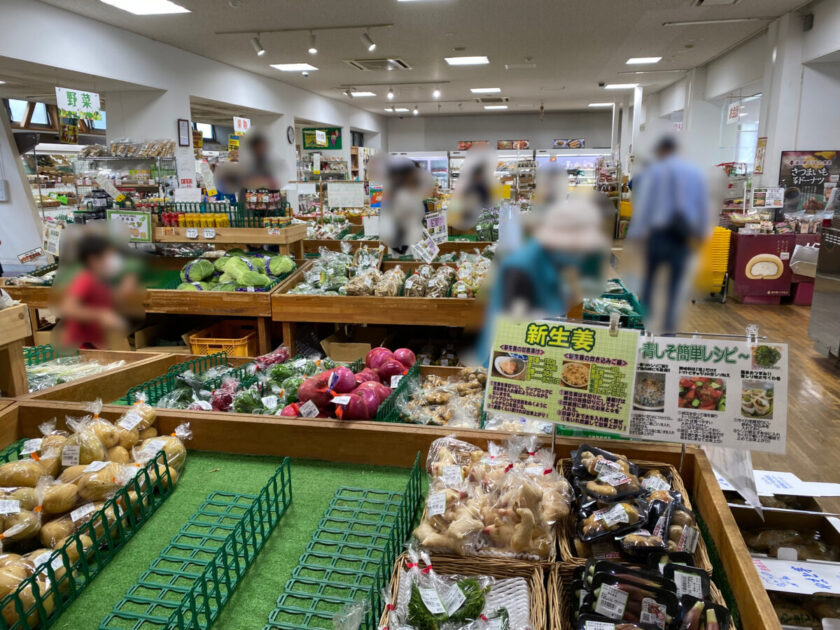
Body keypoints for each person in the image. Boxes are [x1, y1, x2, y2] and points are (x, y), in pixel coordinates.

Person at [628, 135, 709, 333]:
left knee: (648, 282)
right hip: (683, 237)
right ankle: (669, 330)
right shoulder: (695, 172)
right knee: (675, 287)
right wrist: (701, 234)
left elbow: (644, 206)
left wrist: (636, 234)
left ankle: (645, 326)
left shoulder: (654, 172)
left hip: (657, 235)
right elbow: (702, 205)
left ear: (661, 151)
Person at [59, 234, 131, 349]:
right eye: (108, 256)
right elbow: (68, 308)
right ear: (93, 260)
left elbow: (104, 302)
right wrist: (101, 315)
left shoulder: (102, 280)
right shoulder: (86, 279)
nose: (113, 261)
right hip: (80, 348)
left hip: (97, 345)